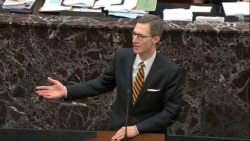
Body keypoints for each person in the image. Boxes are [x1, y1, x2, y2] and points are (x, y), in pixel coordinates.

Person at [36, 14, 183, 141]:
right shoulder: (122, 57)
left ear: (155, 39)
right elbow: (102, 84)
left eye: (141, 36)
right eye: (134, 34)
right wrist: (67, 91)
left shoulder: (170, 71)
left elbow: (171, 112)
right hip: (116, 131)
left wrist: (137, 128)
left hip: (149, 134)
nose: (134, 40)